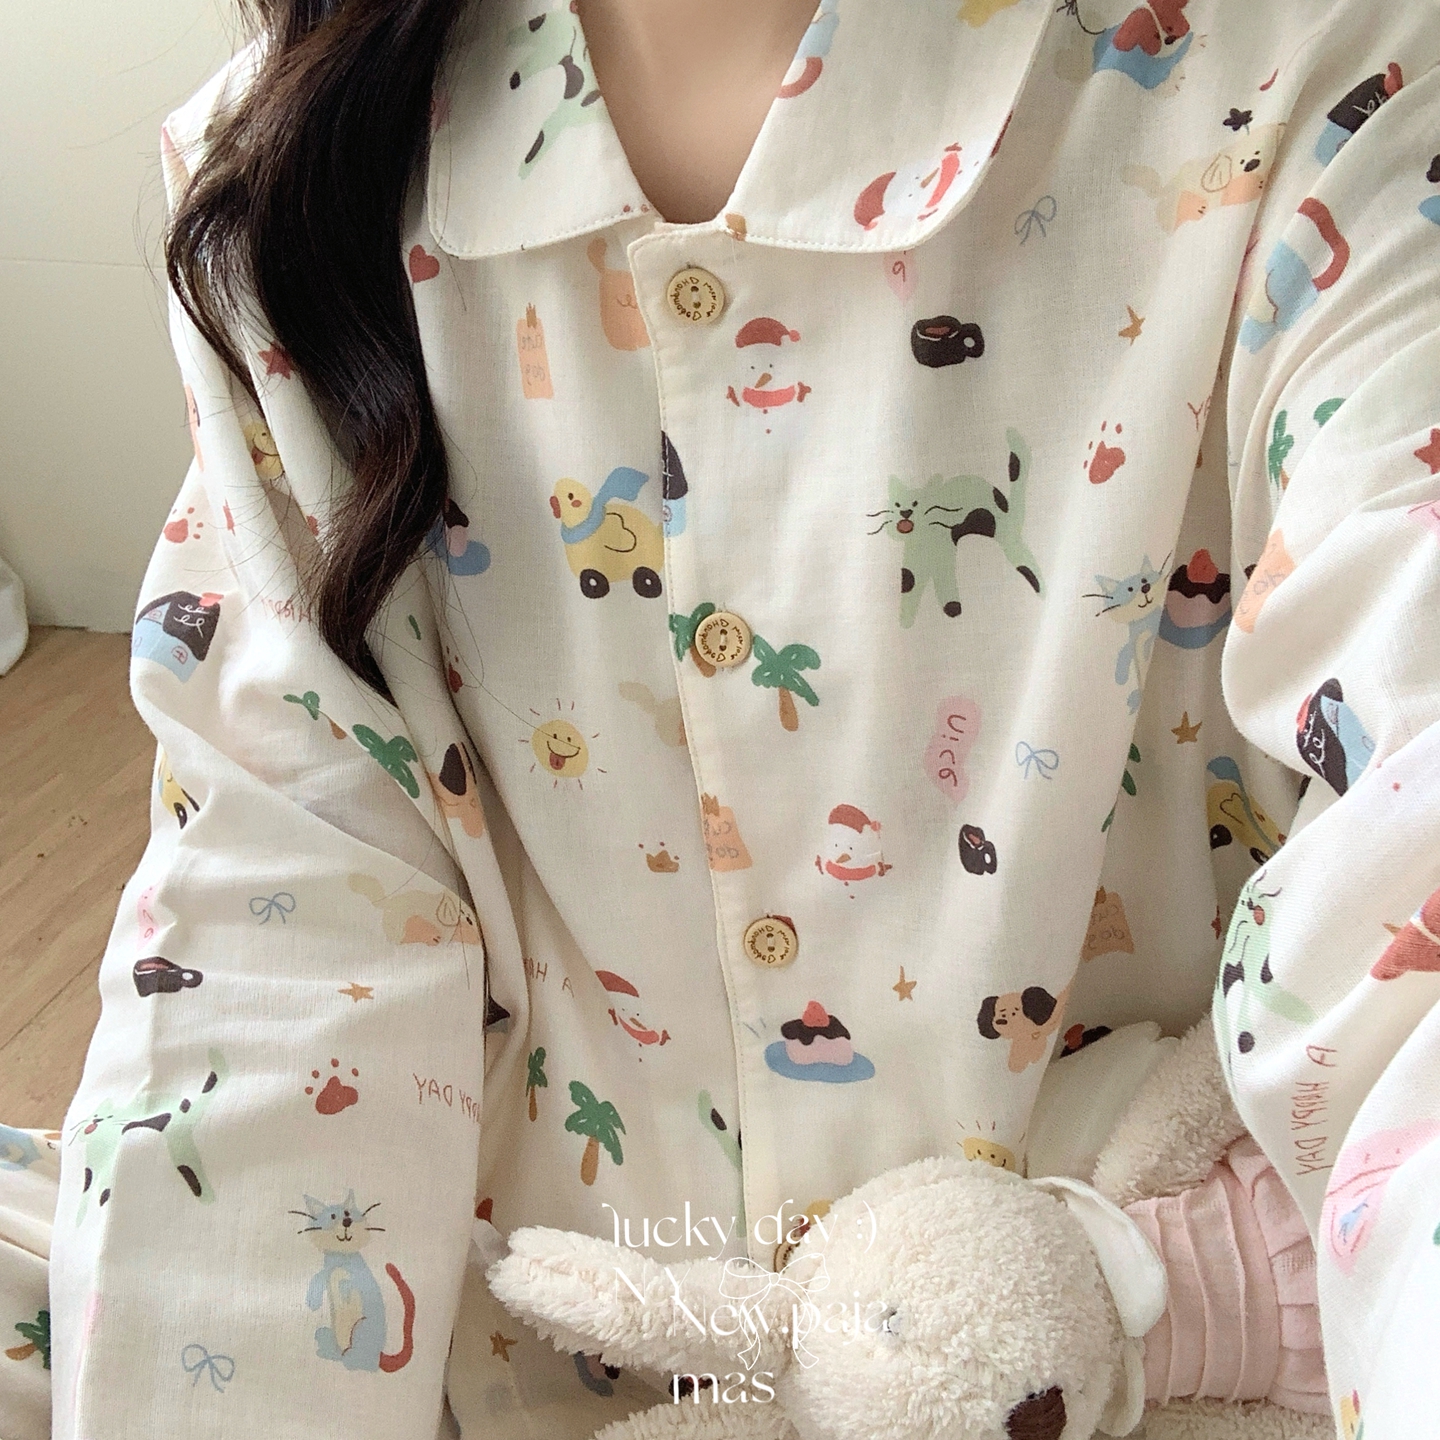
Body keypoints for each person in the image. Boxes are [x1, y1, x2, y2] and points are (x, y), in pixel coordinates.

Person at [1, 0, 1437, 1435]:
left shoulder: (1336, 82)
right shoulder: (297, 167)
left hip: (1120, 1353)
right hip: (522, 1341)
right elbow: (281, 923)